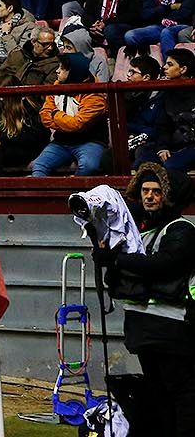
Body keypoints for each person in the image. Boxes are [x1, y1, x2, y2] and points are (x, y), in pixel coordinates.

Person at [96, 163, 195, 436]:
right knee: (158, 391)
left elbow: (163, 265)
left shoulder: (181, 231)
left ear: (169, 195)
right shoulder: (138, 233)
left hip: (172, 327)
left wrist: (116, 259)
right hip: (142, 327)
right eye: (145, 190)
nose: (149, 196)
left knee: (182, 393)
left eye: (156, 191)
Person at [30, 54, 107, 177]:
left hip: (90, 141)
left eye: (62, 68)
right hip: (62, 141)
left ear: (73, 72)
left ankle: (76, 194)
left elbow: (77, 124)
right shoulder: (57, 86)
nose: (57, 70)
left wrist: (55, 113)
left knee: (88, 166)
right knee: (39, 165)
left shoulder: (95, 95)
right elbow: (45, 117)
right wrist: (66, 122)